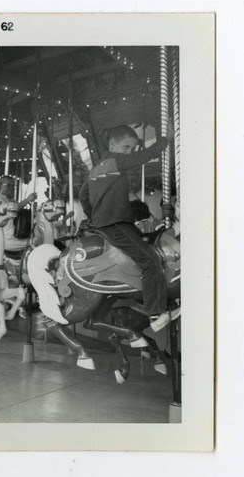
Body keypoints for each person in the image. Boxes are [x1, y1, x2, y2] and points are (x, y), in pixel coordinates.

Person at [79, 123, 179, 332]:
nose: (129, 153)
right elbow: (145, 155)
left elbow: (83, 196)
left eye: (131, 149)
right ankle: (155, 314)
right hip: (116, 224)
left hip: (114, 224)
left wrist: (95, 216)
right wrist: (166, 139)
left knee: (149, 241)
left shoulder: (95, 169)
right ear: (113, 144)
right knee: (151, 260)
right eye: (126, 147)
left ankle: (156, 296)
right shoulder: (115, 161)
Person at [0, 175, 37, 252]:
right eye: (8, 185)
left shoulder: (11, 200)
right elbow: (13, 208)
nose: (11, 188)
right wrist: (27, 200)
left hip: (15, 234)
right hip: (7, 238)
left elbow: (18, 209)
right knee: (36, 242)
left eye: (12, 186)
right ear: (0, 186)